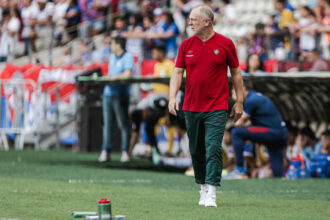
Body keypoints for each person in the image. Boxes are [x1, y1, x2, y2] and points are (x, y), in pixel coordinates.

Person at [168, 5, 244, 207]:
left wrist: (240, 101)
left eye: (193, 19)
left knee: (213, 147)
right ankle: (201, 186)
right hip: (191, 106)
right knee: (195, 149)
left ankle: (211, 191)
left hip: (217, 106)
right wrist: (172, 97)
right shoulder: (185, 45)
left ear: (207, 21)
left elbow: (236, 73)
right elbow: (177, 73)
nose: (189, 22)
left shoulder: (226, 44)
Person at [228, 81, 289, 179]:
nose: (232, 92)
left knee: (236, 133)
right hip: (280, 133)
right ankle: (280, 178)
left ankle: (239, 170)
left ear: (243, 89)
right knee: (277, 171)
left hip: (272, 132)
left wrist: (237, 103)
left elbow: (238, 123)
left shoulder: (251, 100)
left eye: (234, 90)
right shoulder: (256, 97)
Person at [98, 37, 134, 163]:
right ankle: (105, 151)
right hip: (107, 94)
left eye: (112, 44)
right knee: (107, 124)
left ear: (119, 45)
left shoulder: (128, 56)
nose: (110, 47)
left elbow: (127, 74)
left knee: (123, 124)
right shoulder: (112, 57)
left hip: (120, 94)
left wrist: (112, 77)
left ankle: (125, 152)